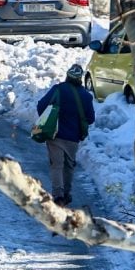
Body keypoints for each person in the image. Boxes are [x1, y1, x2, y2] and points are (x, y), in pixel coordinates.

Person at [36, 64, 95, 206]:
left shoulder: (58, 89)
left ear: (67, 76)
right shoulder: (86, 96)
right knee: (69, 166)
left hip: (54, 133)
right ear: (80, 79)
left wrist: (49, 119)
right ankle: (67, 193)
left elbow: (41, 106)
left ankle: (58, 195)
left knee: (56, 165)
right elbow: (91, 118)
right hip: (73, 137)